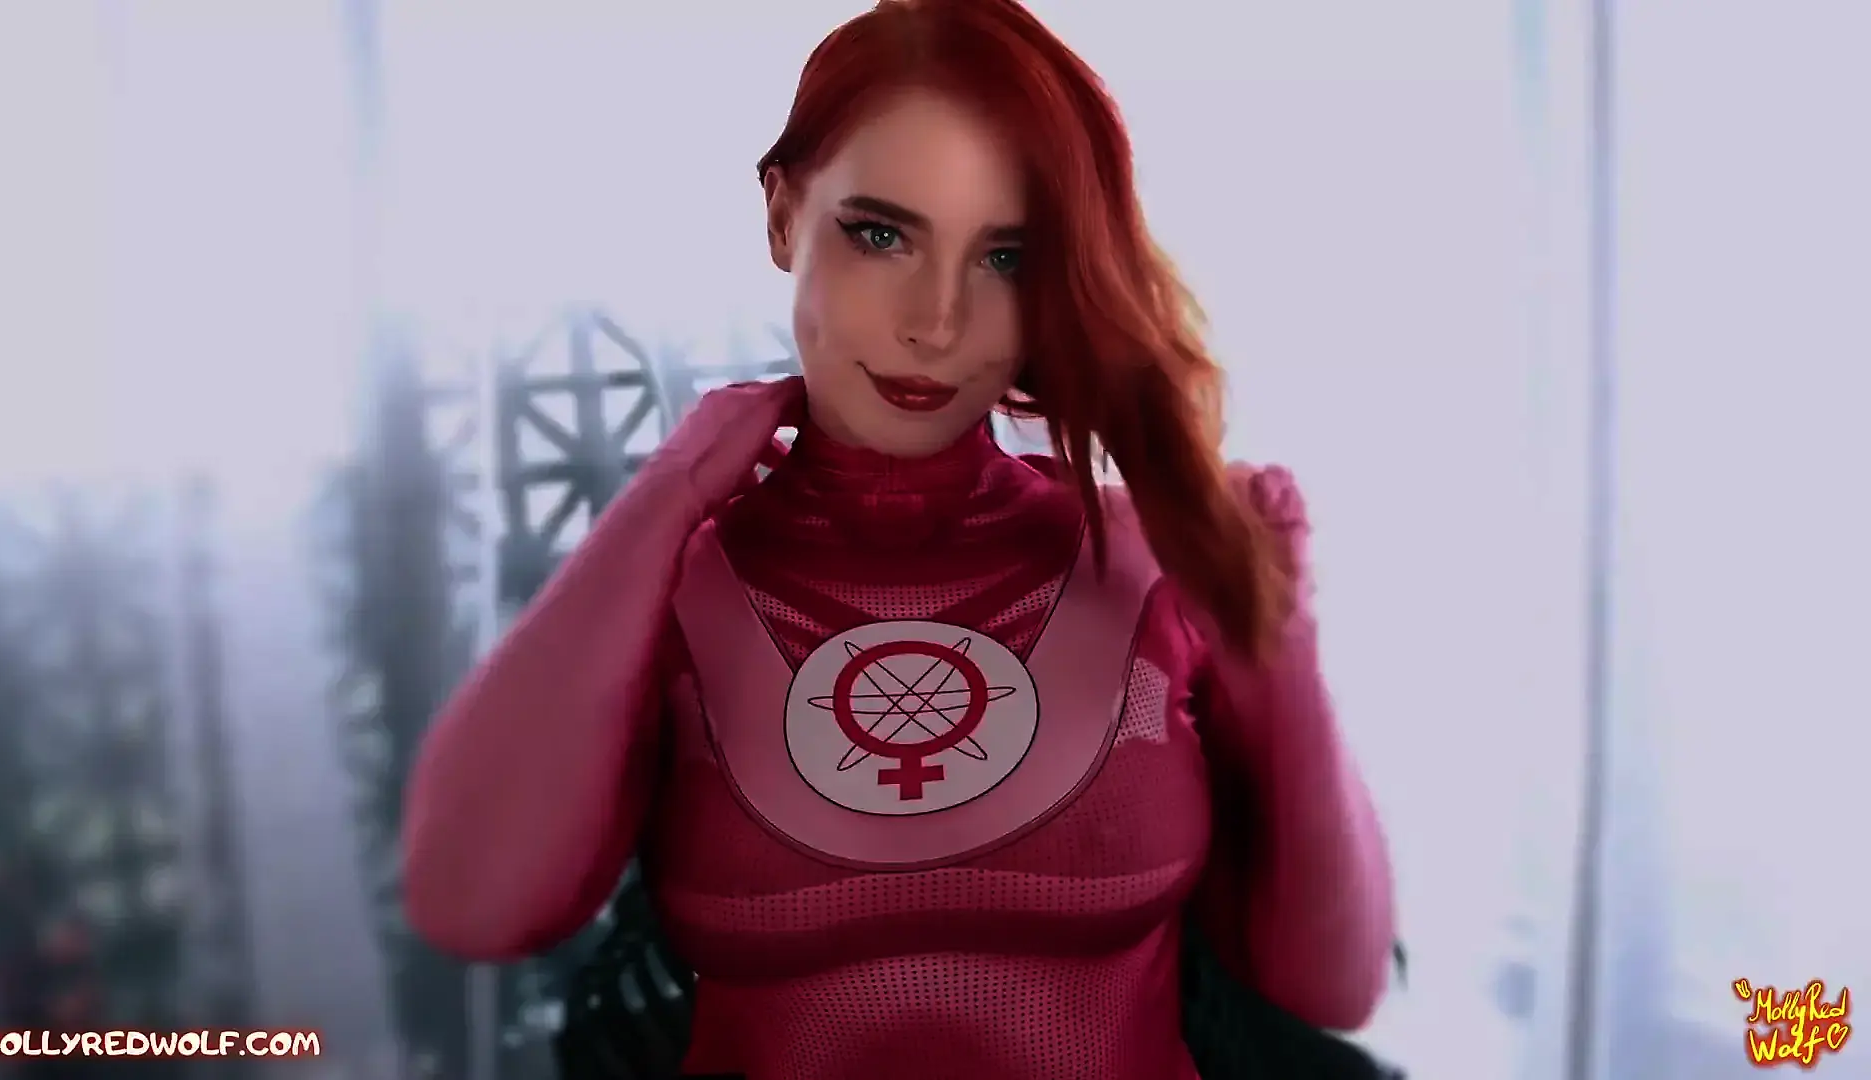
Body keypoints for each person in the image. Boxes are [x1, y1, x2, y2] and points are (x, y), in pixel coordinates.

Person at [401, 0, 1395, 1076]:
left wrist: (1277, 633)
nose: (937, 322)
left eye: (1005, 257)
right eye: (880, 235)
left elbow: (1329, 983)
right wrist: (667, 492)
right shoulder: (674, 582)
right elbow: (473, 904)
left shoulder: (1147, 559)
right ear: (783, 215)